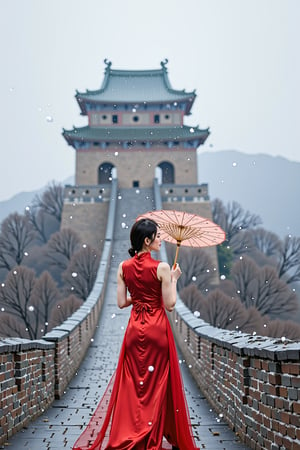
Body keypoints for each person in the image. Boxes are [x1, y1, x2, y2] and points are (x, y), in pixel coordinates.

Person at [73, 218, 199, 450]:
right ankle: (151, 432)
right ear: (147, 240)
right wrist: (173, 279)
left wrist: (140, 297)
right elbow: (169, 305)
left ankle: (131, 431)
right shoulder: (161, 267)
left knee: (133, 385)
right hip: (157, 330)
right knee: (157, 384)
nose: (161, 240)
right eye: (157, 236)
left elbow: (121, 303)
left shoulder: (123, 267)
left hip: (134, 330)